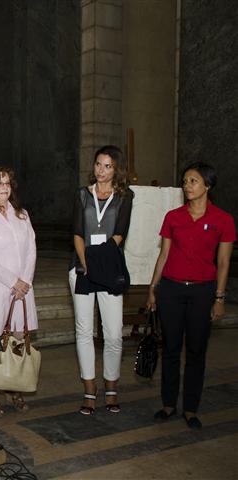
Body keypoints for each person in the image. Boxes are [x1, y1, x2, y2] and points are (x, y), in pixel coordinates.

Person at [147, 162, 234, 430]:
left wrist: (219, 298)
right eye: (185, 181)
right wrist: (153, 288)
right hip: (171, 290)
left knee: (196, 351)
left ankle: (191, 408)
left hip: (202, 292)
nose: (187, 185)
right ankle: (168, 404)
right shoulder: (173, 217)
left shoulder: (223, 220)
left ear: (207, 185)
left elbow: (223, 263)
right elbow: (164, 255)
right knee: (171, 349)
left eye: (193, 181)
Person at [70, 145, 133, 415]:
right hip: (81, 268)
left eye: (107, 166)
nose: (101, 170)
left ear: (116, 169)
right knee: (84, 331)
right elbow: (77, 232)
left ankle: (111, 386)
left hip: (109, 268)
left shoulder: (125, 196)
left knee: (113, 332)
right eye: (98, 164)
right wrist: (87, 263)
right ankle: (89, 388)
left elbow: (119, 234)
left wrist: (98, 264)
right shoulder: (82, 194)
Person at [0, 165, 38, 416]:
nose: (4, 187)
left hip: (23, 288)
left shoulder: (22, 215)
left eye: (7, 183)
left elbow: (31, 248)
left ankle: (16, 388)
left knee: (19, 338)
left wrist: (25, 280)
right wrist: (13, 280)